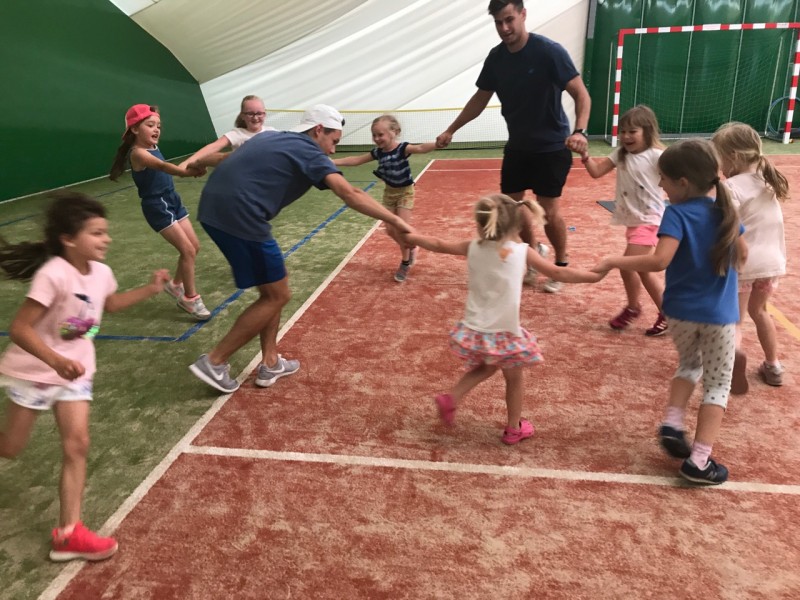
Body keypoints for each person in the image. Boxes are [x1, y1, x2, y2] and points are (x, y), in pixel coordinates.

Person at [188, 104, 414, 393]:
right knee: (278, 295)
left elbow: (227, 158)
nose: (332, 150)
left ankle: (270, 362)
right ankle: (215, 361)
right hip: (242, 216)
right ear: (318, 130)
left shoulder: (271, 137)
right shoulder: (309, 151)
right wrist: (397, 221)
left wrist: (200, 162)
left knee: (273, 291)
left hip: (213, 209)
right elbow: (350, 193)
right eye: (333, 141)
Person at [0, 192, 170, 561]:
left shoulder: (102, 273)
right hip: (36, 371)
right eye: (96, 233)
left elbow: (111, 304)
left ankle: (69, 534)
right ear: (68, 239)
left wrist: (151, 289)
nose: (106, 239)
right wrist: (56, 360)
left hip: (76, 371)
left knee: (77, 445)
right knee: (10, 448)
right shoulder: (53, 275)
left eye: (105, 232)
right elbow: (20, 329)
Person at [595, 139, 746, 485]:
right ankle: (699, 461)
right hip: (718, 315)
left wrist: (613, 260)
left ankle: (673, 423)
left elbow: (659, 260)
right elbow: (743, 254)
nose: (660, 184)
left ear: (683, 182)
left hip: (678, 312)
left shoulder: (675, 214)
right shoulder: (725, 212)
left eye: (663, 178)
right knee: (717, 385)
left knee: (689, 365)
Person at [405, 194, 604, 444]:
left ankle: (452, 398)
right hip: (505, 331)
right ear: (517, 226)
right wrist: (593, 276)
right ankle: (513, 428)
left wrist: (412, 237)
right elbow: (557, 272)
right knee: (514, 377)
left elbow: (438, 244)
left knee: (487, 366)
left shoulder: (473, 246)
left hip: (476, 327)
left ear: (481, 225)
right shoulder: (522, 251)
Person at [435, 0, 592, 294]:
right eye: (498, 22)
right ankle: (533, 255)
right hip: (518, 147)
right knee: (512, 210)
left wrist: (580, 131)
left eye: (509, 20)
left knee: (548, 211)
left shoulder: (549, 52)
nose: (504, 28)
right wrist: (451, 129)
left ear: (523, 14)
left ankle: (560, 264)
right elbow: (479, 99)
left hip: (551, 147)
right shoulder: (496, 59)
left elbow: (582, 94)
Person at [109, 104, 210, 320]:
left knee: (194, 246)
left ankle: (175, 285)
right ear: (135, 129)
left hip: (172, 199)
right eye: (150, 125)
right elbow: (163, 167)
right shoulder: (138, 153)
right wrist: (187, 173)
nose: (156, 129)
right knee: (187, 251)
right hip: (158, 206)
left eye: (158, 126)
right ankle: (189, 298)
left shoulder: (153, 146)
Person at [711, 122, 789, 392]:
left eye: (720, 158)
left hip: (744, 264)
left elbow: (727, 227)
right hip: (772, 263)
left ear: (733, 157)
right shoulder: (768, 180)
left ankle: (731, 359)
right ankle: (773, 365)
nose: (719, 165)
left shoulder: (730, 186)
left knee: (736, 319)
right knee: (760, 311)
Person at [582, 105, 668, 336]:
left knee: (633, 266)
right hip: (633, 222)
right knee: (634, 268)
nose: (626, 136)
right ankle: (637, 307)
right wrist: (585, 155)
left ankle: (660, 311)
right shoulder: (620, 154)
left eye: (633, 131)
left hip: (650, 220)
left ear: (647, 131)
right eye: (623, 131)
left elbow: (679, 173)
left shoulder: (657, 156)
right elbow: (596, 172)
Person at [333, 114, 436, 282]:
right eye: (374, 135)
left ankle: (405, 262)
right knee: (389, 229)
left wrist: (438, 143)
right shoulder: (378, 153)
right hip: (389, 193)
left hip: (405, 192)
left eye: (380, 134)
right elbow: (356, 160)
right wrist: (332, 162)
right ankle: (411, 246)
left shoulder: (402, 148)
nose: (376, 138)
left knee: (402, 230)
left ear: (394, 132)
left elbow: (420, 148)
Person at [180, 95, 276, 168]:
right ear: (242, 116)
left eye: (259, 113)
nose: (255, 118)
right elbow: (214, 146)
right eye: (250, 114)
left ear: (264, 114)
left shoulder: (272, 132)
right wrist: (188, 162)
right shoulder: (237, 134)